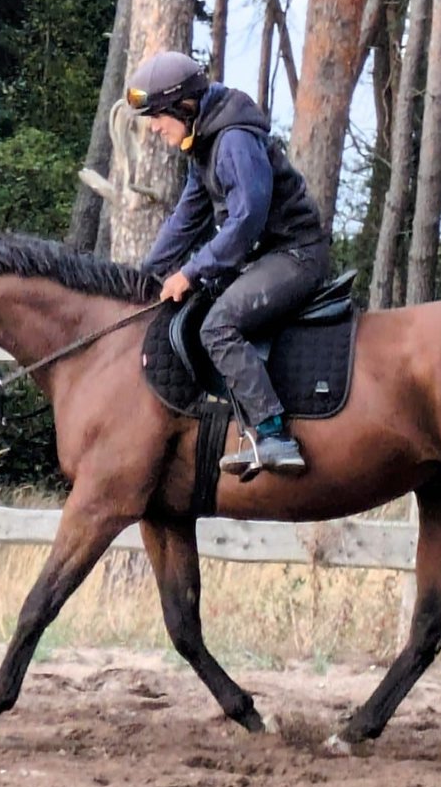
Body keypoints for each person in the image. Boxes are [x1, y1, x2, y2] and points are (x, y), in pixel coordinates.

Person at [126, 51, 331, 477]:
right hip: (266, 256)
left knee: (217, 326)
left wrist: (191, 271)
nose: (155, 127)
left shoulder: (233, 139)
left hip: (294, 254)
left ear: (183, 107)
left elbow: (248, 218)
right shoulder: (204, 144)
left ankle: (274, 435)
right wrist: (142, 278)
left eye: (157, 116)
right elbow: (186, 218)